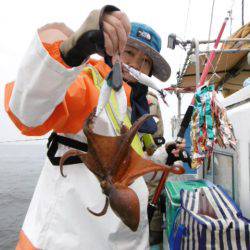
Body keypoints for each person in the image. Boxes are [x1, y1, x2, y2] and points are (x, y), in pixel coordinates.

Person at [5, 5, 172, 250]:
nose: (135, 64)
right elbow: (28, 112)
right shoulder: (88, 81)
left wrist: (163, 156)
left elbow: (131, 170)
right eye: (129, 52)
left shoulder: (139, 110)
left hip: (129, 241)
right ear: (113, 49)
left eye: (144, 61)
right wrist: (71, 52)